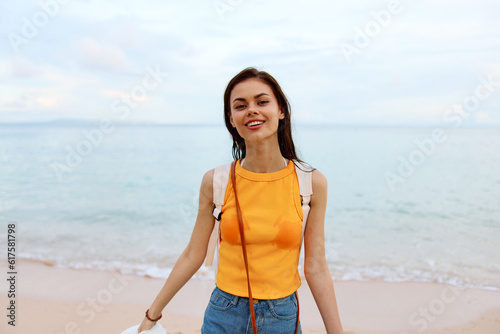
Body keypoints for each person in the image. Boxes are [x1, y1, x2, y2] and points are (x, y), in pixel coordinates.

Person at [137, 67, 343, 333]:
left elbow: (315, 266)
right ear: (232, 119)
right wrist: (152, 315)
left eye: (262, 101)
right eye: (241, 105)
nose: (252, 110)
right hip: (223, 313)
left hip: (281, 316)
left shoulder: (311, 183)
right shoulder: (217, 181)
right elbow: (193, 254)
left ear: (281, 110)